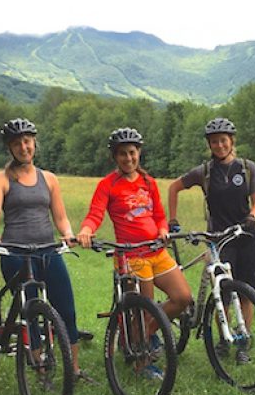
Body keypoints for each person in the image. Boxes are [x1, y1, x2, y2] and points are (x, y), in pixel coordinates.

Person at [0, 118, 93, 382]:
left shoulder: (49, 179)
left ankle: (74, 369)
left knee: (66, 308)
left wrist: (67, 234)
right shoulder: (1, 179)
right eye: (17, 143)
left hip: (47, 250)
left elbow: (60, 217)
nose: (23, 147)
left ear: (34, 143)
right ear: (10, 148)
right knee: (30, 309)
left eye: (27, 141)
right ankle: (40, 368)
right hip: (15, 252)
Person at [77, 127, 193, 379]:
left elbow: (159, 216)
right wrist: (86, 230)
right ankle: (143, 363)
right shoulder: (108, 185)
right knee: (145, 307)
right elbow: (95, 213)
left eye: (132, 153)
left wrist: (163, 229)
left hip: (156, 250)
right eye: (122, 154)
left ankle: (141, 335)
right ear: (114, 157)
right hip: (131, 255)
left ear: (139, 153)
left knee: (183, 297)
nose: (128, 158)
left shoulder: (148, 182)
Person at [167, 117, 255, 362]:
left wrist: (253, 216)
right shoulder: (205, 172)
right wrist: (173, 219)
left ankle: (243, 342)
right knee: (222, 291)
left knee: (246, 292)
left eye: (223, 140)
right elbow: (174, 188)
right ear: (209, 145)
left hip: (246, 235)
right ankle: (223, 338)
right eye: (214, 142)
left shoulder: (247, 167)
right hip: (219, 238)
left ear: (231, 141)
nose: (219, 145)